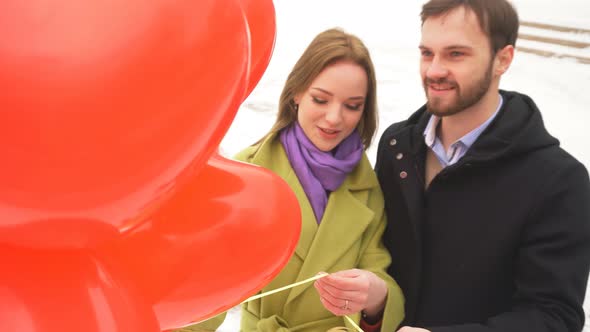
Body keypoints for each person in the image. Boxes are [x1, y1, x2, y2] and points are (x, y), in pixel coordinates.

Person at [375, 0, 590, 331]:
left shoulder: (559, 181)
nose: (434, 70)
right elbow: (383, 263)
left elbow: (553, 317)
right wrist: (376, 307)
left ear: (502, 59)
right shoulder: (397, 148)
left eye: (456, 54)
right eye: (427, 53)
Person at [178, 28, 404, 332]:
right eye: (321, 99)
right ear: (297, 93)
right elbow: (206, 286)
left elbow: (377, 275)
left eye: (352, 105)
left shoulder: (368, 188)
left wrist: (376, 297)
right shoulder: (248, 172)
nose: (334, 118)